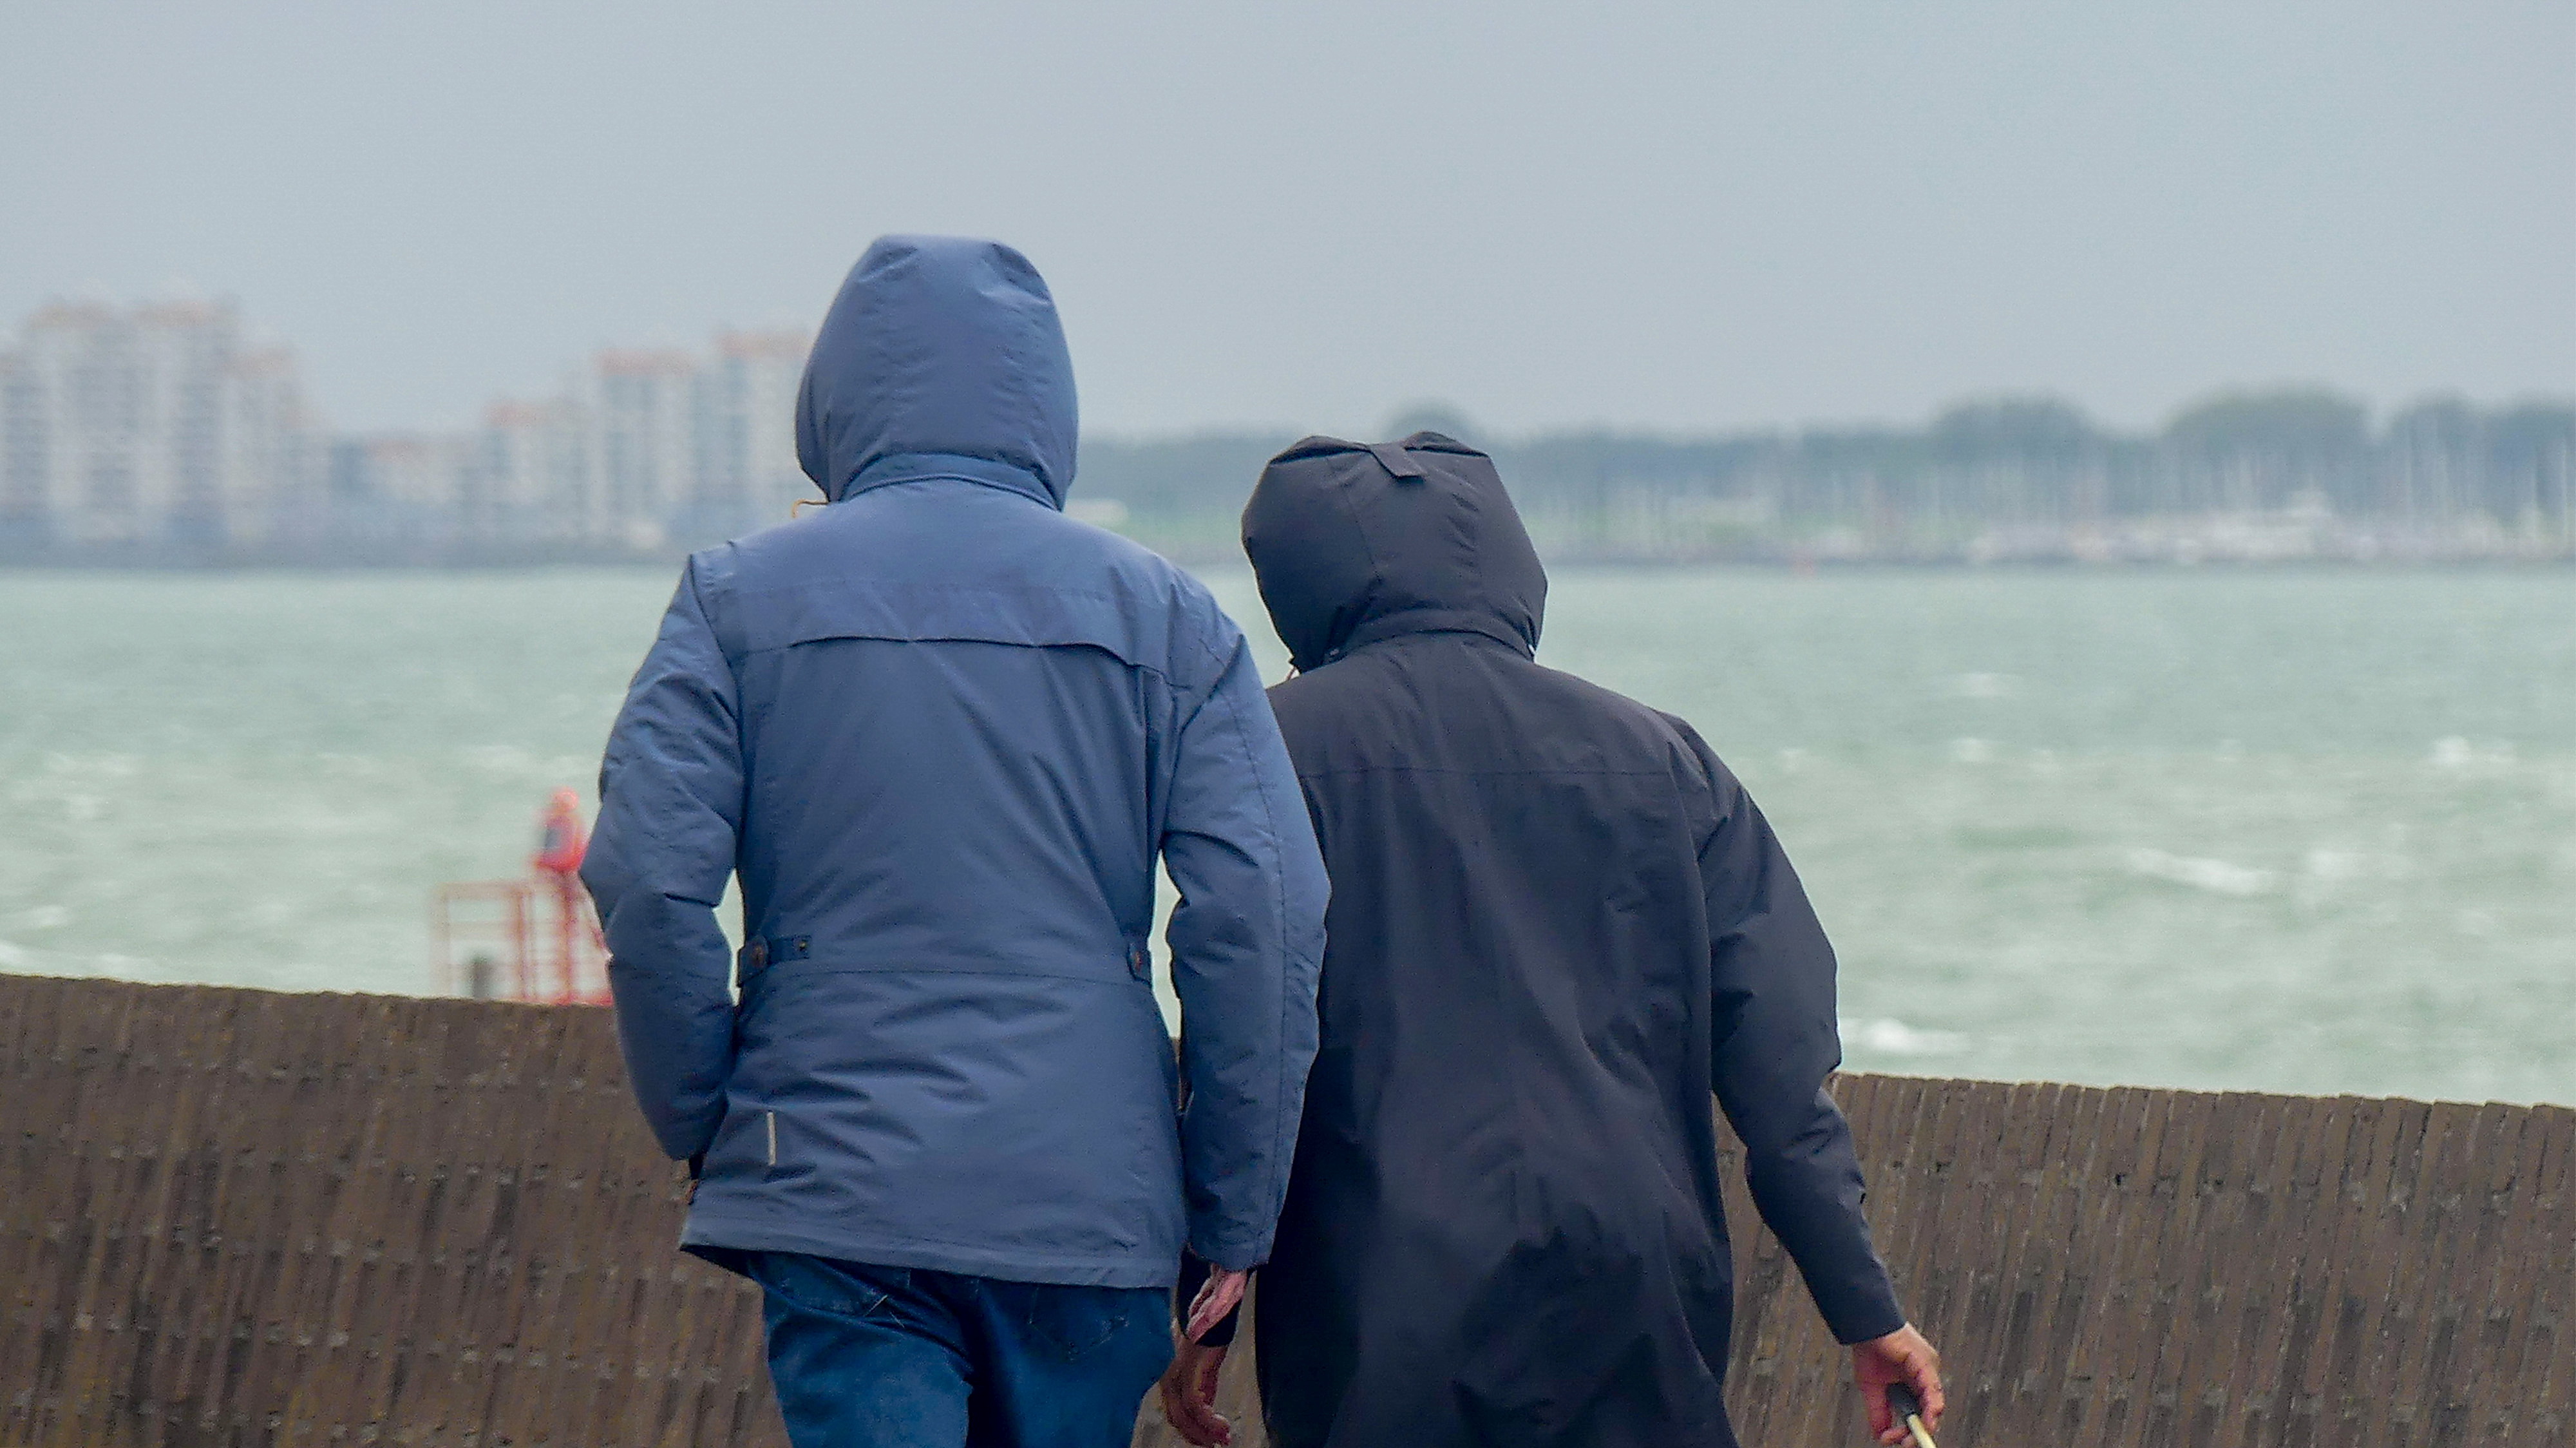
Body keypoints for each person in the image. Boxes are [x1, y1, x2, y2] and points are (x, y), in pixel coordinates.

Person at [583, 236, 1327, 1448]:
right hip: (1090, 1204)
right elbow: (1266, 917)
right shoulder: (1172, 621)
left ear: (833, 402)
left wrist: (705, 1116)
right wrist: (1231, 1223)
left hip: (837, 1190)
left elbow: (647, 879)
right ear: (1048, 410)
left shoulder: (735, 597)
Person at [1159, 433, 1945, 1448]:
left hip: (1381, 1291)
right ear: (1506, 559)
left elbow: (1244, 1044)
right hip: (1635, 1280)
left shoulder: (1267, 753)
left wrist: (1209, 1296)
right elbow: (1783, 1076)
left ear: (1296, 580)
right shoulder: (1664, 757)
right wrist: (1865, 1310)